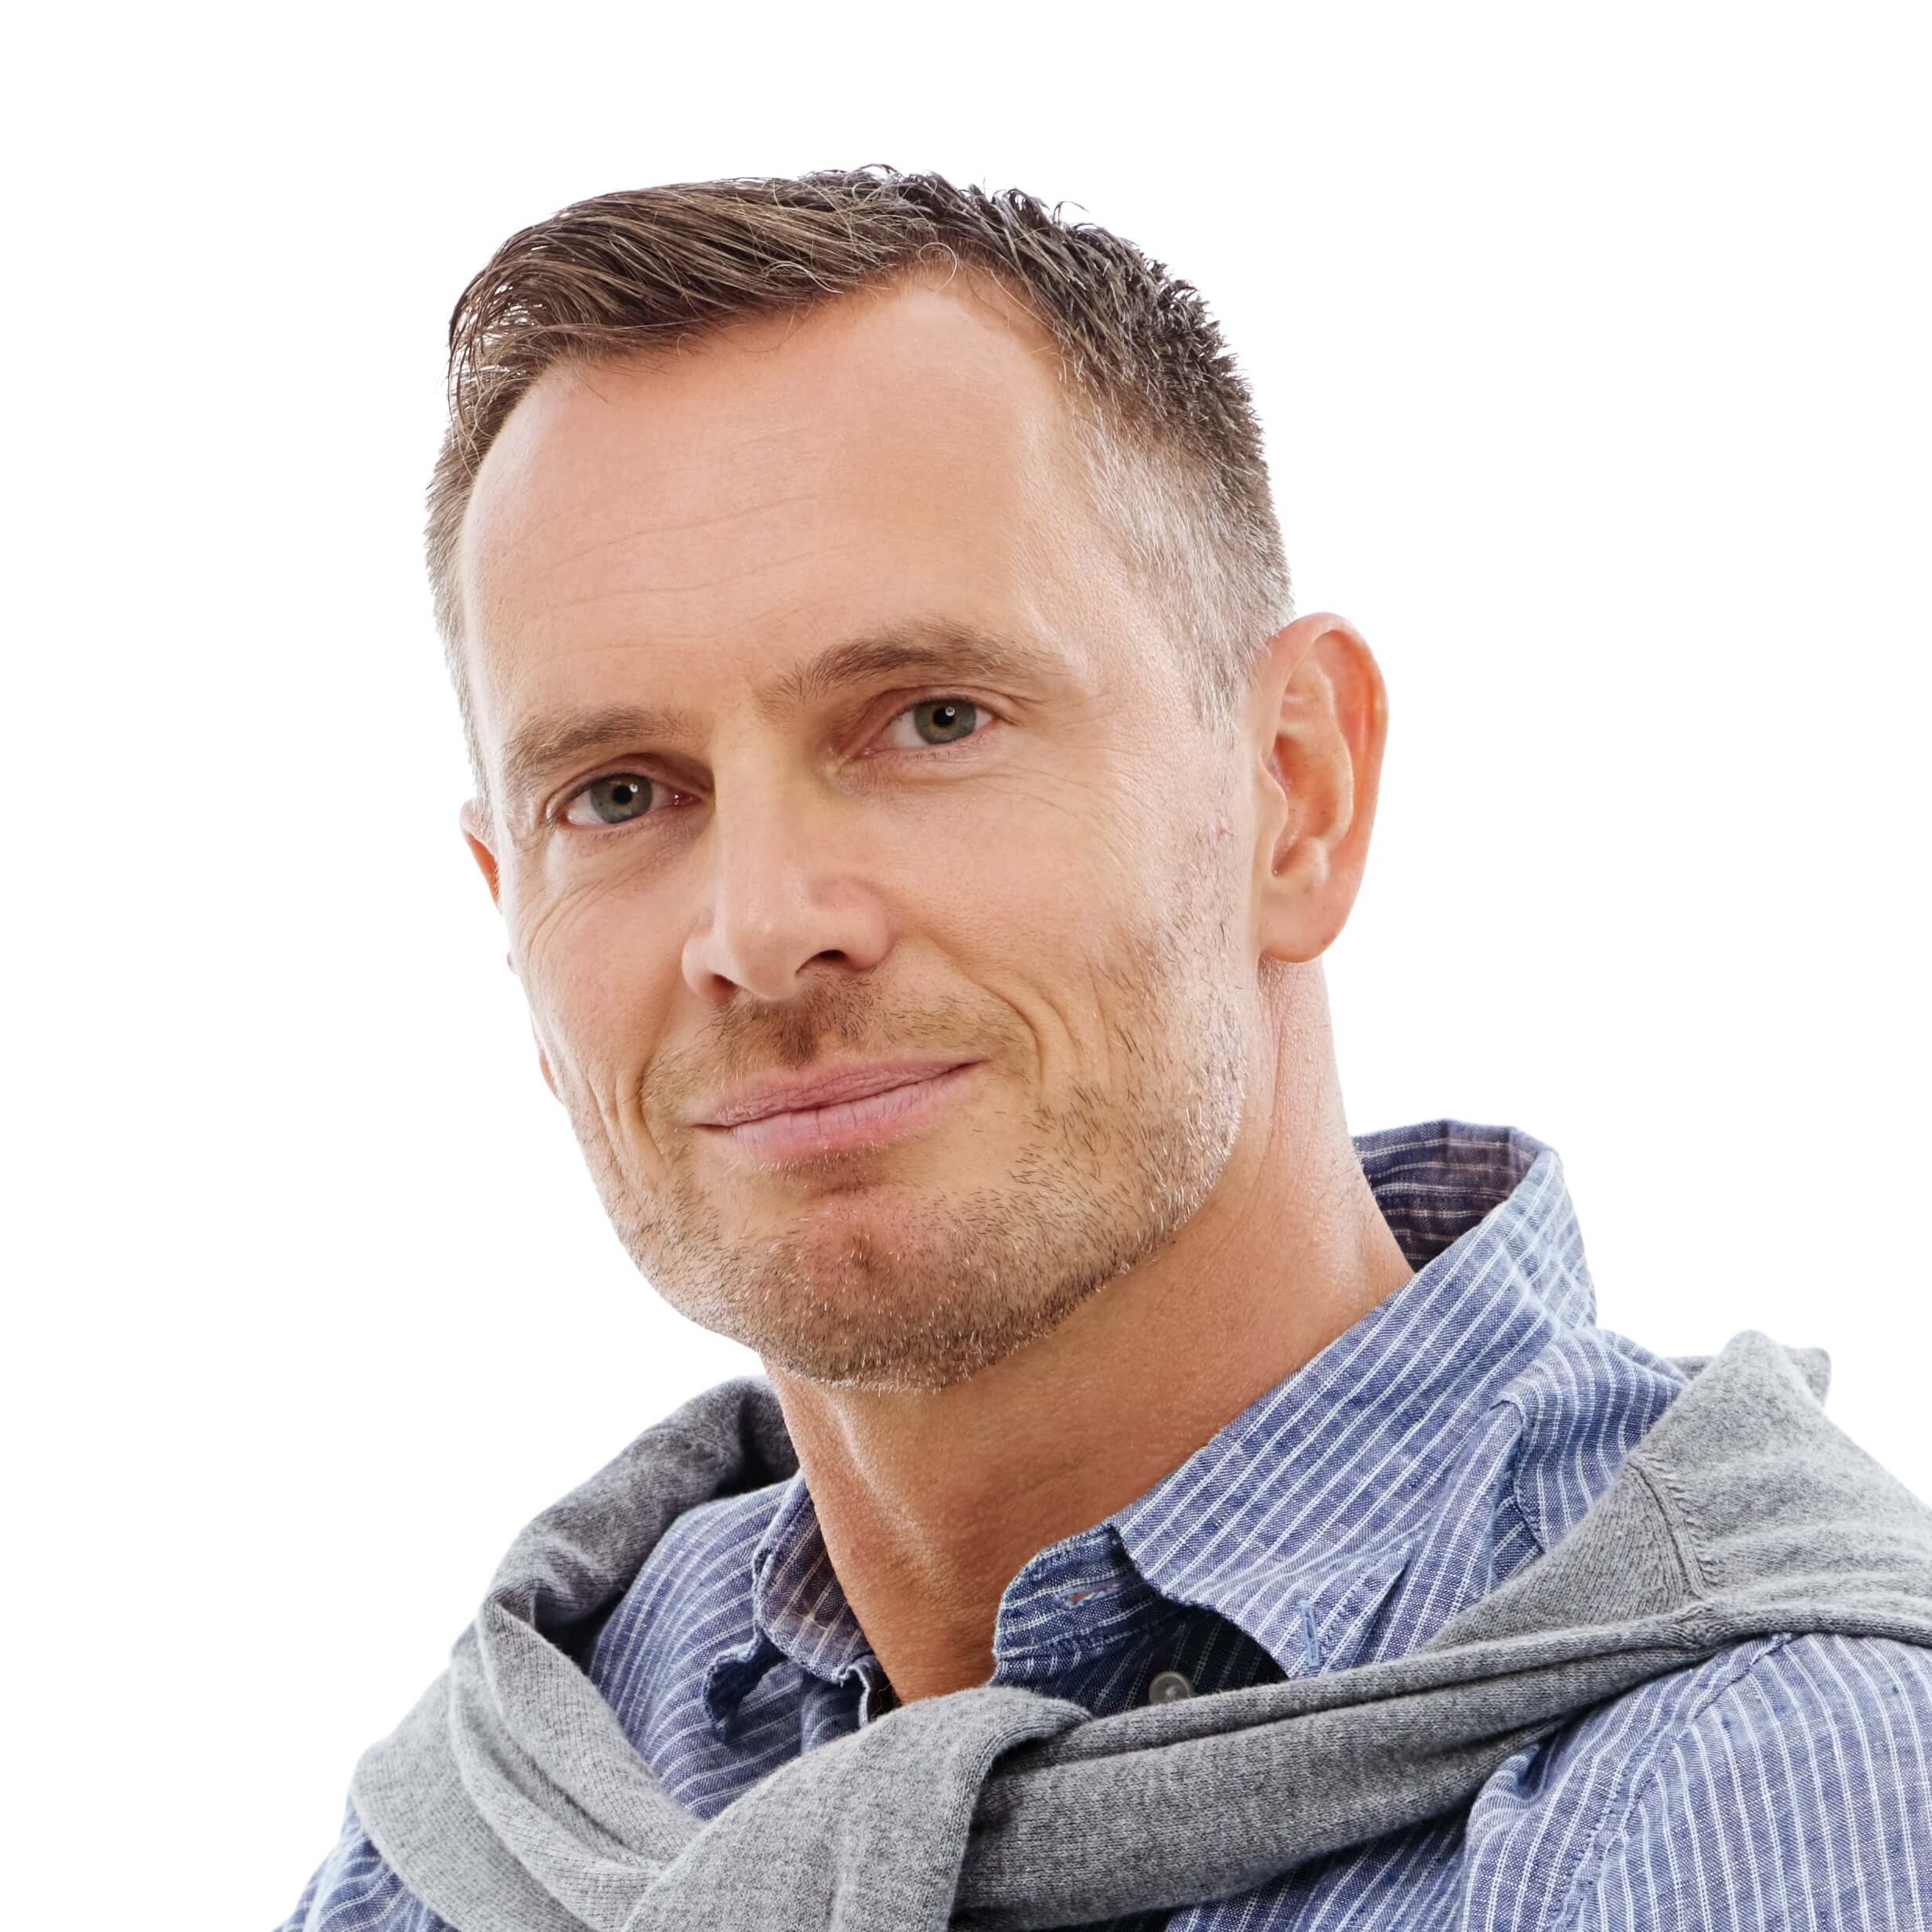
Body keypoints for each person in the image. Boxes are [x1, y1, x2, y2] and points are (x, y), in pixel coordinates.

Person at [281, 167, 1931, 1931]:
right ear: (510, 914)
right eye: (618, 796)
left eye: (931, 720)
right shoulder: (509, 1819)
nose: (757, 928)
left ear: (1294, 792)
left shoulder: (1760, 1788)